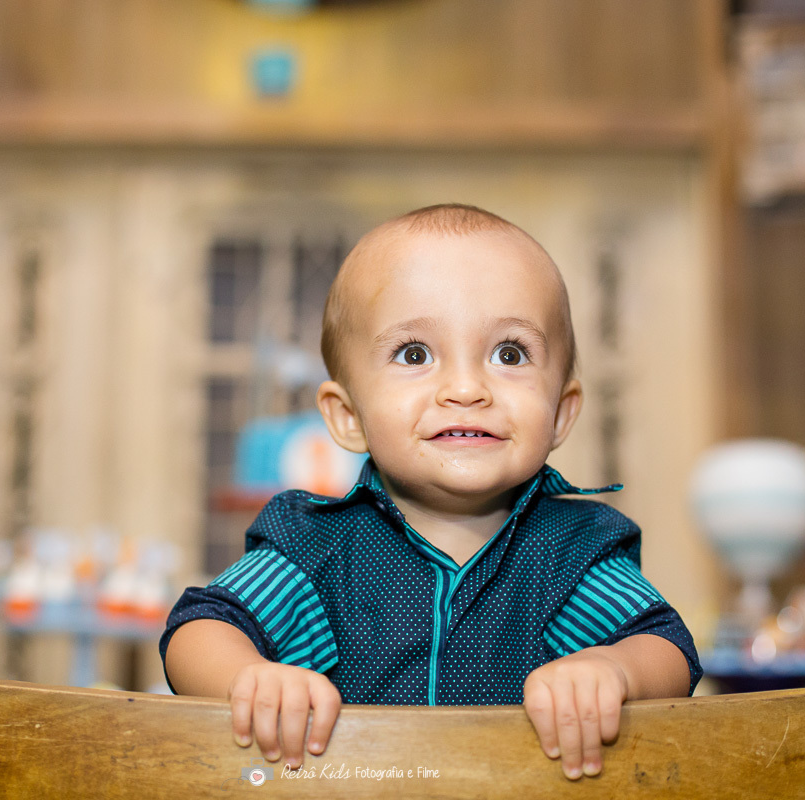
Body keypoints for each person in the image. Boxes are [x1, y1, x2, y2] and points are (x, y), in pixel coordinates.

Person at [160, 203, 701, 782]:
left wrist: (614, 671)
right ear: (347, 416)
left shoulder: (572, 552)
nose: (466, 388)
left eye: (509, 354)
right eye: (415, 354)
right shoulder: (315, 550)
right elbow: (200, 629)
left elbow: (665, 647)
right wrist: (249, 677)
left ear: (561, 413)